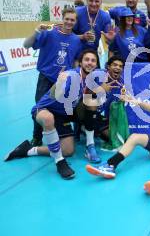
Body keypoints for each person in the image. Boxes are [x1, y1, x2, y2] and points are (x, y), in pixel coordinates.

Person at [4, 50, 106, 179]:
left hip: (65, 113)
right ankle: (58, 161)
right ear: (80, 62)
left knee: (69, 148)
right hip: (45, 109)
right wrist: (60, 85)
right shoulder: (69, 76)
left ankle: (89, 146)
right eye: (87, 59)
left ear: (96, 64)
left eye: (93, 60)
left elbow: (110, 72)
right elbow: (55, 95)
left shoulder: (93, 77)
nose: (89, 63)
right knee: (49, 121)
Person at [23, 7, 83, 147]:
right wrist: (37, 30)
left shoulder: (76, 40)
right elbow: (26, 45)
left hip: (63, 80)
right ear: (62, 19)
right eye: (67, 19)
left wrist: (74, 75)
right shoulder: (49, 33)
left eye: (72, 20)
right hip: (46, 78)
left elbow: (74, 60)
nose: (69, 22)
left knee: (63, 107)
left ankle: (67, 133)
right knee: (40, 107)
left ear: (75, 22)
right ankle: (37, 137)